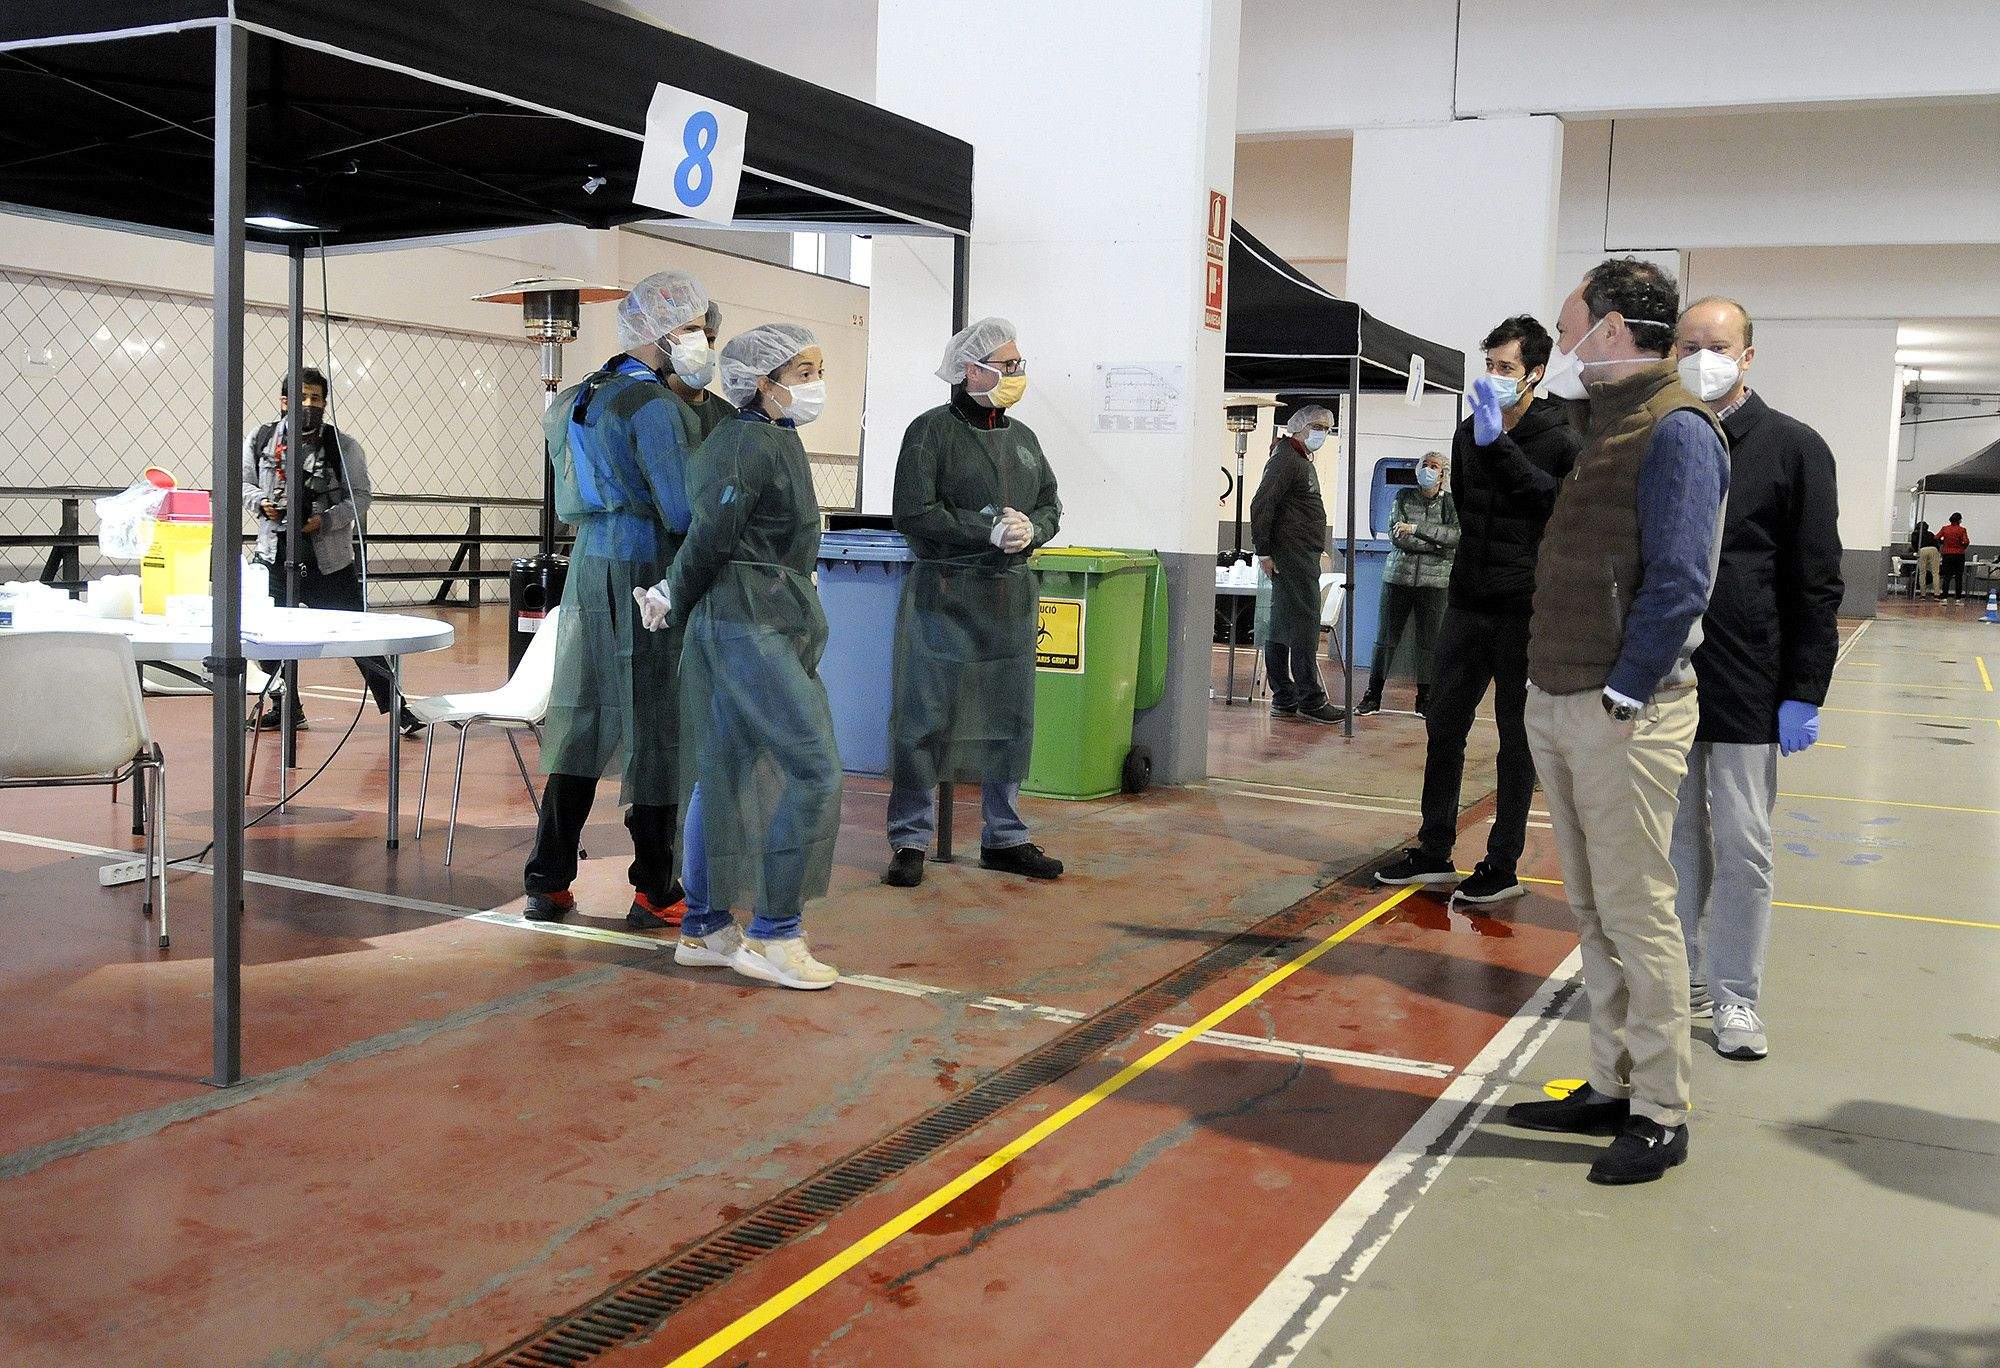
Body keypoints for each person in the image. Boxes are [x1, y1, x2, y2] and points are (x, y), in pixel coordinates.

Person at [1501, 258, 1729, 1187]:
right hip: (1560, 696)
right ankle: (1611, 1080)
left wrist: (1627, 692)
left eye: (1570, 330)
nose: (1560, 347)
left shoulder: (1677, 429)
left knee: (1639, 914)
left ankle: (1663, 1110)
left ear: (1614, 327)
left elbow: (1680, 577)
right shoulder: (1607, 423)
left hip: (1619, 710)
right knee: (1593, 907)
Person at [1668, 296, 1842, 1065]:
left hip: (1750, 683)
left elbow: (1817, 579)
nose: (1704, 355)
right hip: (1667, 679)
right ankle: (1680, 982)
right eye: (1690, 343)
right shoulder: (1664, 437)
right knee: (1673, 848)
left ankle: (1736, 995)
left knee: (1743, 847)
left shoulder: (1794, 448)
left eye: (1720, 344)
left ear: (1747, 356)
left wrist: (1806, 685)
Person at [647, 323, 842, 990]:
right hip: (743, 620)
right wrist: (673, 590)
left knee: (725, 770)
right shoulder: (743, 443)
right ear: (763, 381)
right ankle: (774, 933)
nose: (817, 384)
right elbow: (711, 535)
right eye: (805, 371)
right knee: (813, 768)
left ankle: (703, 926)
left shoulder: (775, 438)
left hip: (761, 616)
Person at [522, 270, 708, 931]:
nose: (702, 343)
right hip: (645, 569)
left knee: (579, 722)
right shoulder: (655, 408)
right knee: (656, 724)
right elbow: (682, 507)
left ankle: (548, 881)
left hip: (589, 566)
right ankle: (656, 886)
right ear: (664, 332)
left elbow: (570, 491)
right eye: (694, 329)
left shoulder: (576, 397)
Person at [1375, 315, 1582, 903]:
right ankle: (1434, 846)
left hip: (1525, 606)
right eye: (1488, 367)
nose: (1493, 378)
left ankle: (1502, 861)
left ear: (1535, 374)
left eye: (1506, 369)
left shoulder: (1559, 434)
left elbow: (1550, 503)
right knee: (1444, 722)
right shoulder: (1468, 434)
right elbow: (1466, 504)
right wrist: (1485, 436)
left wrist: (1502, 444)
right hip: (1467, 599)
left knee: (1517, 738)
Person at [882, 317, 1066, 888]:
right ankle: (910, 839)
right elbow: (913, 512)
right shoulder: (929, 433)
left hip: (1008, 596)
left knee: (1007, 715)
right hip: (943, 595)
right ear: (970, 370)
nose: (1016, 374)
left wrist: (1029, 530)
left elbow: (1051, 503)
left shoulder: (1024, 439)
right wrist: (980, 529)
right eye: (1006, 365)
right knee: (925, 713)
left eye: (1019, 365)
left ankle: (1004, 835)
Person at [241, 369, 415, 738]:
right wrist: (262, 504)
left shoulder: (343, 447)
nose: (309, 406)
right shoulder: (260, 439)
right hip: (274, 553)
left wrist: (325, 520)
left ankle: (398, 708)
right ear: (283, 400)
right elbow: (241, 483)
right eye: (301, 397)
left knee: (358, 634)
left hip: (329, 560)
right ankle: (285, 705)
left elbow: (361, 497)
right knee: (266, 633)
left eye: (316, 399)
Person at [1250, 406, 1341, 725]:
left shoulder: (1296, 459)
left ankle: (1285, 696)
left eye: (1327, 428)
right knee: (1303, 623)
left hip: (1297, 553)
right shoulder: (1287, 459)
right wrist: (1263, 551)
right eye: (1317, 425)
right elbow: (1262, 503)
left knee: (1281, 623)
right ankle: (1309, 698)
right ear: (1299, 426)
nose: (1322, 432)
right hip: (1292, 554)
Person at [1352, 451, 1457, 716]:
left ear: (1442, 474)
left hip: (1435, 584)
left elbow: (1455, 536)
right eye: (1425, 465)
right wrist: (1435, 544)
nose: (1428, 470)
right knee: (1385, 639)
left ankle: (1425, 700)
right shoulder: (1402, 497)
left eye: (1434, 467)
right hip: (1397, 578)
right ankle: (1372, 696)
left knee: (1429, 643)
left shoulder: (1450, 505)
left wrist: (1415, 529)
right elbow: (1397, 536)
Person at [665, 299, 736, 442]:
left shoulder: (727, 416)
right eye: (693, 339)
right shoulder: (651, 405)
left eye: (709, 339)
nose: (704, 349)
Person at [1938, 512, 1971, 599]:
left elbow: (1936, 538)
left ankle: (1944, 596)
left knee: (1947, 576)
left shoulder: (1945, 529)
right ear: (1959, 520)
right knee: (1958, 576)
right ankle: (1958, 597)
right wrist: (1962, 547)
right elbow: (1966, 541)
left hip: (1947, 554)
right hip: (1959, 555)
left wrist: (1944, 543)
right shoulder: (1962, 530)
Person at [1912, 521, 1942, 598]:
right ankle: (1937, 594)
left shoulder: (1915, 534)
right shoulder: (1930, 534)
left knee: (1922, 573)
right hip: (1933, 549)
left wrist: (1916, 552)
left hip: (1922, 550)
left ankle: (1923, 594)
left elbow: (1914, 544)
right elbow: (1937, 542)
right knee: (1935, 572)